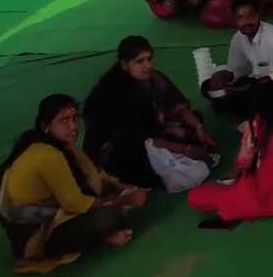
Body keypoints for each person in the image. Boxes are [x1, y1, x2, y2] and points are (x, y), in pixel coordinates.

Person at [0, 94, 148, 274]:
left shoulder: (60, 144)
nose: (73, 126)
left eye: (75, 118)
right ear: (45, 126)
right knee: (108, 217)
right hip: (34, 235)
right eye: (64, 121)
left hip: (50, 214)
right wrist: (125, 199)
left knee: (112, 202)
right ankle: (97, 239)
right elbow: (75, 204)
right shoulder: (48, 155)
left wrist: (121, 188)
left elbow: (93, 175)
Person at [82, 36, 217, 190]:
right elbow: (144, 139)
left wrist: (200, 128)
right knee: (143, 163)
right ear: (125, 65)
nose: (148, 65)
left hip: (151, 135)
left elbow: (177, 106)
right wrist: (184, 150)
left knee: (194, 121)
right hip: (124, 149)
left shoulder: (154, 79)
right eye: (140, 61)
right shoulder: (114, 94)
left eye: (149, 59)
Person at [188, 81, 273, 222]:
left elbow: (245, 160)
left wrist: (236, 170)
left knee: (195, 195)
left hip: (264, 195)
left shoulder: (258, 122)